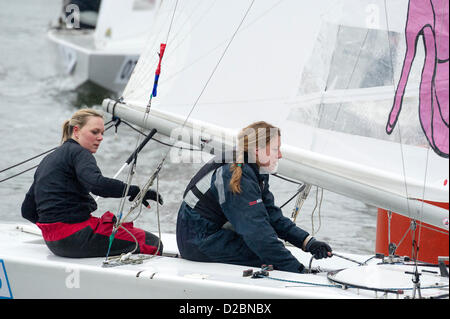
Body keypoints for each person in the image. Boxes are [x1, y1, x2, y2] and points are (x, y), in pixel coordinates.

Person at [176, 121, 332, 273]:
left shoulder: (254, 169)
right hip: (198, 242)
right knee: (267, 256)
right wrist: (297, 271)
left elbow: (271, 215)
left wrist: (308, 242)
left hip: (209, 234)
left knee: (271, 251)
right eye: (276, 149)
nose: (280, 155)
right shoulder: (237, 174)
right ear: (258, 150)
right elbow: (256, 232)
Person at [21, 108, 163, 258]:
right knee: (153, 243)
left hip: (53, 243)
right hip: (77, 238)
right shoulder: (80, 153)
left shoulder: (48, 160)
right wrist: (135, 191)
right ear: (76, 131)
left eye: (102, 133)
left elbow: (27, 210)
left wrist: (55, 230)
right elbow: (97, 185)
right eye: (95, 132)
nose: (100, 137)